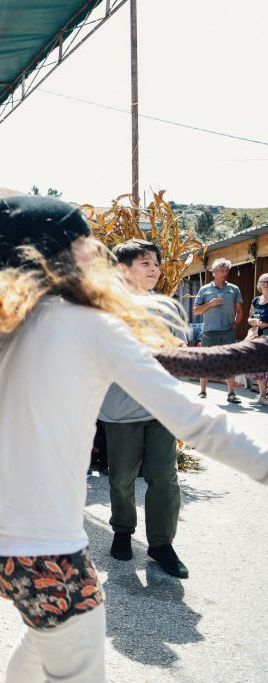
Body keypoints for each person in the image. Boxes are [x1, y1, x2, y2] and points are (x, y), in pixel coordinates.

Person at [0, 195, 267, 682]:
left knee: (44, 639)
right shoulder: (88, 324)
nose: (97, 251)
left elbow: (149, 364)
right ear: (60, 253)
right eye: (84, 240)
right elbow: (198, 422)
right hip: (42, 538)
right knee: (78, 660)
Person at [97, 240, 188, 578]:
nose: (154, 269)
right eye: (145, 263)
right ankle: (122, 530)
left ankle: (161, 544)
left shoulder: (170, 308)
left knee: (165, 476)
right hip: (121, 408)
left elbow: (180, 355)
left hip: (161, 406)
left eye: (156, 264)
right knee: (122, 476)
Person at [192, 258, 243, 403]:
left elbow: (240, 311)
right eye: (222, 270)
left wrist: (234, 327)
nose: (225, 273)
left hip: (227, 332)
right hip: (209, 331)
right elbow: (196, 311)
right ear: (214, 272)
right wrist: (210, 303)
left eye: (227, 270)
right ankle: (202, 391)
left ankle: (231, 394)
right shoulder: (204, 289)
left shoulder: (234, 289)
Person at [245, 273, 268, 405]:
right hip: (257, 336)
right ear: (259, 285)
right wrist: (252, 321)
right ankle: (262, 396)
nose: (266, 284)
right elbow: (249, 317)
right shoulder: (255, 300)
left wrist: (264, 324)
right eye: (263, 282)